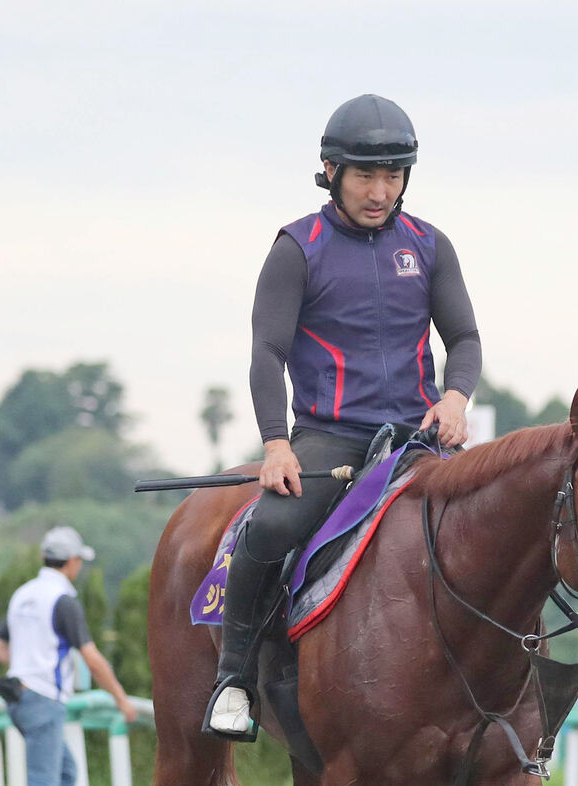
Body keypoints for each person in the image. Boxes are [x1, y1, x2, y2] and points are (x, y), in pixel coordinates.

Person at [205, 93, 482, 738]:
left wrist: (456, 397)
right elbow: (267, 351)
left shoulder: (431, 246)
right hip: (329, 440)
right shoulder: (297, 247)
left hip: (417, 442)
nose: (380, 190)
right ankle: (234, 681)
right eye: (365, 175)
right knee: (270, 528)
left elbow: (463, 338)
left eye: (393, 176)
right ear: (331, 170)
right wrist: (276, 444)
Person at [0, 526, 138, 786]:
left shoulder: (24, 594)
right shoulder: (63, 600)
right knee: (45, 781)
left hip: (19, 696)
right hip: (43, 700)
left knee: (65, 772)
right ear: (71, 562)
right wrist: (120, 698)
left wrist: (25, 666)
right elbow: (92, 657)